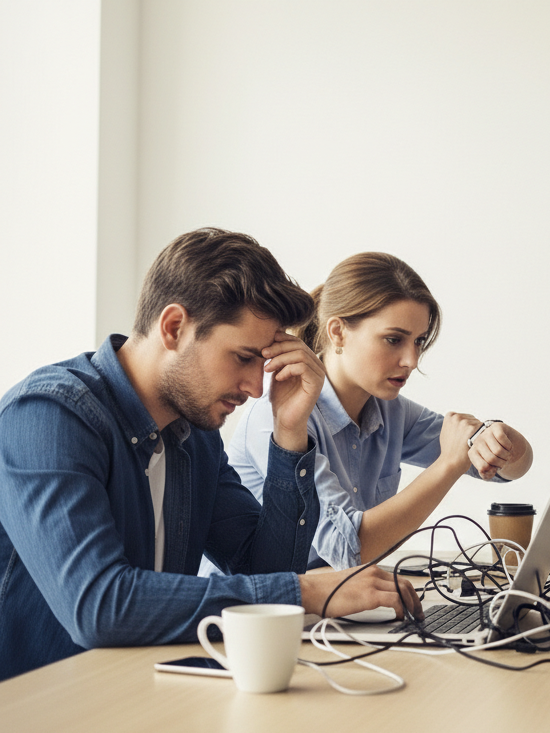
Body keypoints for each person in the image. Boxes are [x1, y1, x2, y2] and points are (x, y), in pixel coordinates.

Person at [0, 229, 420, 681]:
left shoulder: (194, 436)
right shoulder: (48, 416)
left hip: (139, 691)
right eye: (242, 358)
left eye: (263, 363)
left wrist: (289, 432)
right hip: (37, 718)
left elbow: (265, 570)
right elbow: (101, 605)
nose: (257, 387)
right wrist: (305, 592)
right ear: (174, 327)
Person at [222, 252, 534, 571]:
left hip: (333, 611)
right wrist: (449, 464)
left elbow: (510, 471)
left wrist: (495, 435)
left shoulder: (391, 412)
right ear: (338, 332)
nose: (411, 360)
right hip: (253, 614)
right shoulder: (275, 417)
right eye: (393, 339)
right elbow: (348, 548)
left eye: (419, 341)